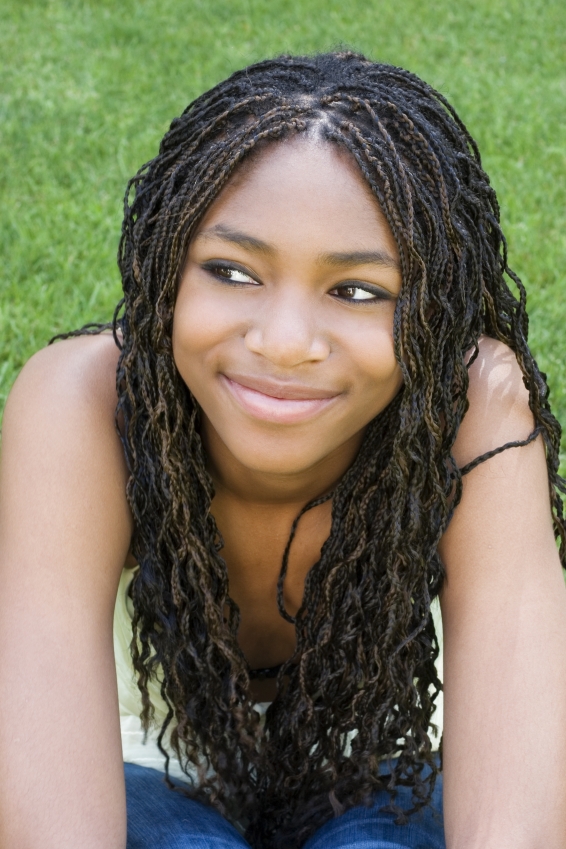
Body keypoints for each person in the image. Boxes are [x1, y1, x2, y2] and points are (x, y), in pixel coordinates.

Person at [0, 51, 565, 849]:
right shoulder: (84, 404)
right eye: (232, 271)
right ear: (167, 271)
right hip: (137, 756)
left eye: (358, 291)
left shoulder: (474, 408)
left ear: (435, 308)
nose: (286, 341)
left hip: (387, 756)